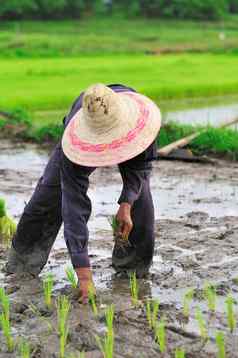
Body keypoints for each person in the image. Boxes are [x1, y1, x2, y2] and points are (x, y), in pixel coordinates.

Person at [6, 83, 161, 303]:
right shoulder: (76, 138)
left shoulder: (142, 122)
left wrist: (126, 204)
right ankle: (22, 263)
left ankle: (133, 269)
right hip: (83, 136)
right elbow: (73, 208)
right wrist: (84, 275)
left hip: (128, 130)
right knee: (48, 195)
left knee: (140, 200)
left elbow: (140, 168)